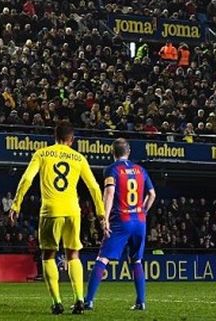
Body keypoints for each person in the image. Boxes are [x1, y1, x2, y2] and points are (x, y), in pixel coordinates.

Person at [8, 121, 105, 315]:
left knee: (48, 255)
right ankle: (79, 299)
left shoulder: (42, 154)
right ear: (72, 139)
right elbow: (94, 187)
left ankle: (57, 302)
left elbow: (27, 178)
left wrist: (16, 204)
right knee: (73, 255)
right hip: (72, 211)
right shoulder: (78, 157)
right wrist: (101, 212)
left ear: (55, 137)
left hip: (51, 211)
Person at [83, 138, 156, 311]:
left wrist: (105, 218)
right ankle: (141, 301)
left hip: (121, 221)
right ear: (128, 151)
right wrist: (142, 211)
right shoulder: (140, 170)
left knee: (102, 259)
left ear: (112, 152)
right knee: (136, 260)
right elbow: (152, 194)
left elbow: (109, 193)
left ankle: (89, 300)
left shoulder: (112, 169)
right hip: (139, 221)